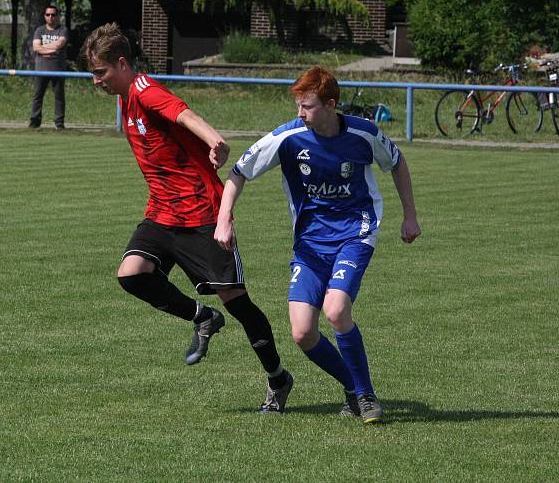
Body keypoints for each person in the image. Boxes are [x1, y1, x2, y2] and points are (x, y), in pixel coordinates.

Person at [80, 23, 294, 413]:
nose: (96, 81)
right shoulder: (126, 98)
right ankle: (202, 317)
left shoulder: (144, 90)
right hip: (162, 212)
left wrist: (214, 139)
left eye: (100, 72)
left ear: (122, 64)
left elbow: (181, 113)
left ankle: (278, 378)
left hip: (201, 215)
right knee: (131, 274)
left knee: (239, 303)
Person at [214, 66, 421, 424]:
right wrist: (224, 217)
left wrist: (410, 216)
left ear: (330, 104)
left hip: (355, 232)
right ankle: (353, 389)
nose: (300, 113)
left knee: (337, 310)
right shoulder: (288, 138)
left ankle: (366, 394)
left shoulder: (363, 133)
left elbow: (397, 163)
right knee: (302, 331)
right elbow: (239, 172)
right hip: (309, 243)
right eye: (298, 105)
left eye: (306, 106)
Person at [30, 5, 68, 129]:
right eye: (48, 15)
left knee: (59, 97)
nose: (50, 17)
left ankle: (59, 123)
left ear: (57, 16)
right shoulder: (39, 30)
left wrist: (43, 49)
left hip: (58, 70)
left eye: (53, 15)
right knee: (37, 96)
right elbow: (35, 47)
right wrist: (50, 50)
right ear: (44, 16)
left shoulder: (62, 30)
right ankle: (35, 122)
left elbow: (60, 44)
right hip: (41, 70)